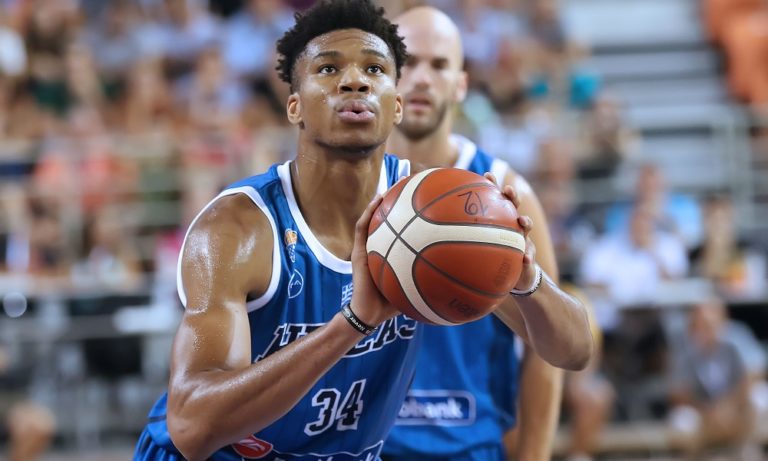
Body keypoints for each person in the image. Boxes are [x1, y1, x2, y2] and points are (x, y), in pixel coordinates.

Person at [134, 2, 593, 460]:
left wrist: (525, 280)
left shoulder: (431, 217)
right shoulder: (237, 228)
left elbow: (573, 351)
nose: (354, 81)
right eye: (328, 68)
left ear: (396, 106)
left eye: (374, 69)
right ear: (294, 106)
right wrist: (353, 324)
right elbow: (192, 427)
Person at [383, 7, 572, 461]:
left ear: (462, 84)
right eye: (408, 62)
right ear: (384, 76)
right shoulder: (350, 185)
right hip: (366, 447)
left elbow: (546, 347)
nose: (421, 78)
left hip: (470, 445)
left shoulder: (506, 193)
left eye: (439, 64)